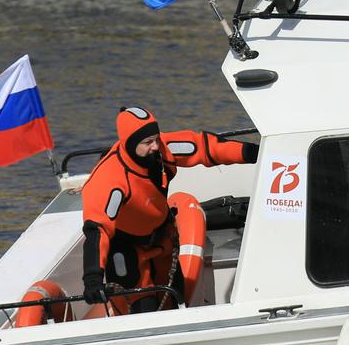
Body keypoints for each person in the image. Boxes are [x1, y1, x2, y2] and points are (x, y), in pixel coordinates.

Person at [81, 106, 257, 313]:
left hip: (161, 240)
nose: (156, 146)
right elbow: (96, 231)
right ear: (129, 143)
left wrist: (254, 152)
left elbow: (205, 148)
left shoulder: (162, 148)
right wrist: (92, 279)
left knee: (176, 299)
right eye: (147, 142)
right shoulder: (109, 180)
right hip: (126, 249)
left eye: (156, 139)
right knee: (144, 309)